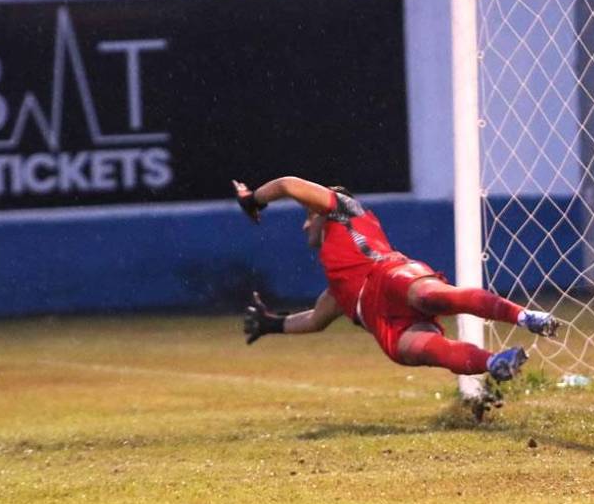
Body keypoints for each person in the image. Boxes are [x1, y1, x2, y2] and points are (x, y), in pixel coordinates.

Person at [233, 176, 559, 418]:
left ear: (323, 209)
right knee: (420, 349)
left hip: (389, 275)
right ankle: (494, 362)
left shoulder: (345, 213)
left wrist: (254, 199)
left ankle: (524, 316)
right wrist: (269, 324)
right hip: (384, 321)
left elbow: (288, 184)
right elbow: (315, 320)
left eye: (308, 216)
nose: (305, 226)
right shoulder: (337, 290)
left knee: (433, 296)